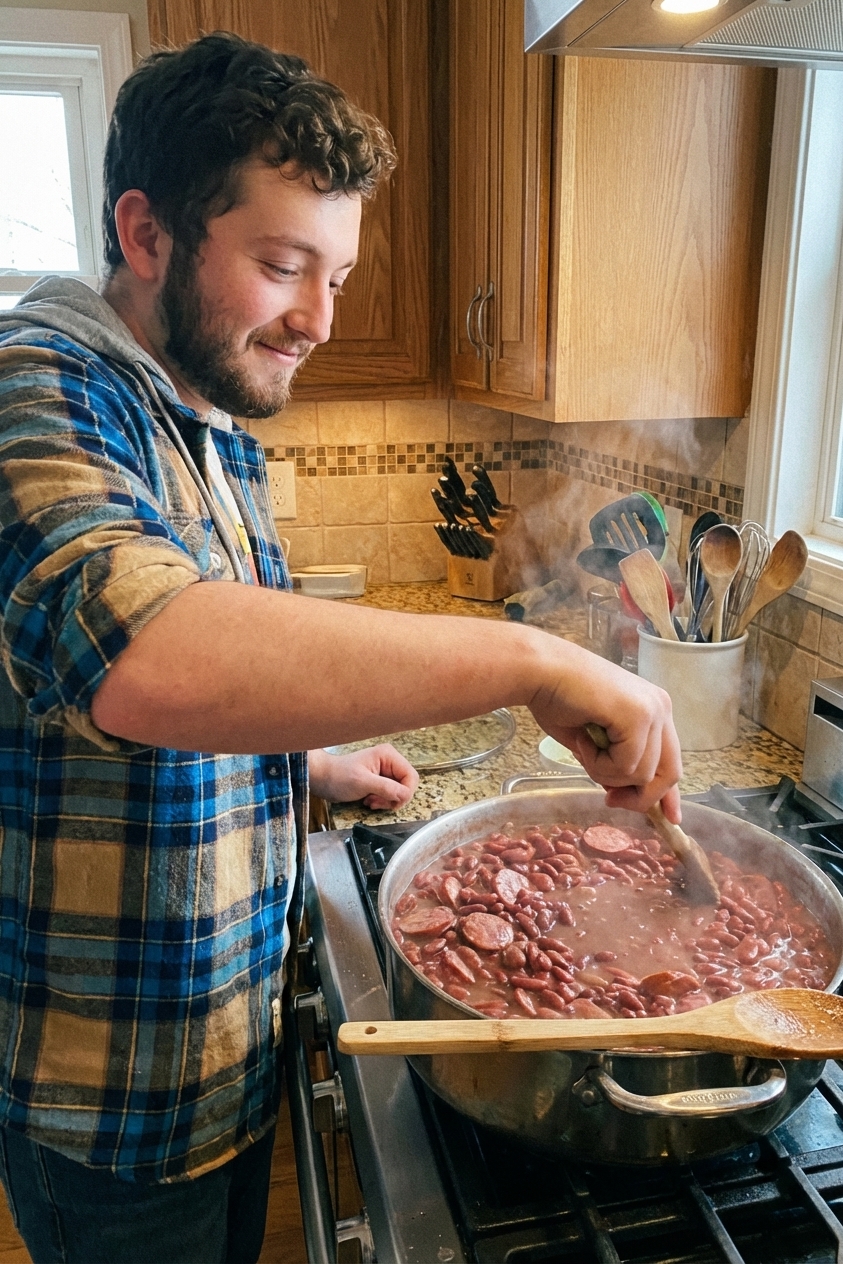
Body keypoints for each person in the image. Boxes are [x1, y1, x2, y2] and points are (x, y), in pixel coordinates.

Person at [0, 31, 682, 1264]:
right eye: (283, 265)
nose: (319, 318)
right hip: (110, 1091)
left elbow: (158, 703)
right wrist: (542, 664)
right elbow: (150, 653)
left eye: (342, 277)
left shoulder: (197, 407)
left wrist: (301, 764)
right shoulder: (32, 392)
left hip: (224, 1041)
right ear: (146, 235)